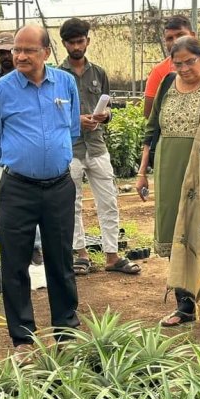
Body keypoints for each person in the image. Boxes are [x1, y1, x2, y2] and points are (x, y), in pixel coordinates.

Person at [0, 24, 81, 350]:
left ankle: (66, 331)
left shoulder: (66, 83)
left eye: (28, 50)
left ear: (46, 53)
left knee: (61, 260)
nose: (20, 56)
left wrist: (52, 153)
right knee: (15, 263)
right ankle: (23, 338)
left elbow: (73, 129)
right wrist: (20, 159)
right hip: (18, 189)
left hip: (59, 187)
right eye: (16, 50)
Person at [136, 36, 200, 332]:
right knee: (178, 233)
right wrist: (141, 172)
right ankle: (185, 306)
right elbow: (151, 131)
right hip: (169, 170)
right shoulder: (165, 84)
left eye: (190, 61)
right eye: (178, 63)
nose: (185, 68)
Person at [58, 18, 140, 276]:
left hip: (97, 146)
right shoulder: (57, 76)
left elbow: (107, 108)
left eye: (80, 41)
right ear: (64, 44)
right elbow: (52, 114)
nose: (76, 47)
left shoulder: (99, 73)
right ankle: (81, 254)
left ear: (87, 41)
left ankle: (112, 255)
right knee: (72, 203)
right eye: (71, 43)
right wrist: (76, 121)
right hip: (71, 148)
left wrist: (105, 117)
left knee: (109, 200)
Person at [0, 32, 43, 265]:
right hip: (1, 156)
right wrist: (2, 156)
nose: (7, 56)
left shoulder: (31, 77)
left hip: (25, 156)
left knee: (33, 201)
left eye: (10, 51)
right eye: (2, 53)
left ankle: (34, 247)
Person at [143, 15, 200, 120]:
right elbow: (149, 115)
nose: (175, 41)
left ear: (193, 36)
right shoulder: (159, 71)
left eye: (180, 35)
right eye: (169, 38)